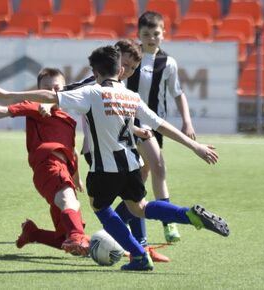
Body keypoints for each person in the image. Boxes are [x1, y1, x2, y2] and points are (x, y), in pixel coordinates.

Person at [0, 45, 230, 271]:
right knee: (140, 208)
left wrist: (9, 93)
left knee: (100, 207)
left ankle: (139, 256)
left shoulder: (91, 93)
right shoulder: (131, 97)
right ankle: (188, 215)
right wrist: (194, 146)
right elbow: (161, 125)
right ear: (121, 70)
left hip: (105, 169)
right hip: (132, 164)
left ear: (94, 71)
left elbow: (51, 96)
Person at [0, 68, 90, 256]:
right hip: (49, 166)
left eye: (57, 88)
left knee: (65, 238)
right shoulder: (36, 107)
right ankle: (78, 237)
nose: (52, 92)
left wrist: (77, 178)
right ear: (39, 91)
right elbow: (3, 111)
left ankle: (33, 233)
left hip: (64, 171)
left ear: (65, 89)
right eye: (47, 88)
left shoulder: (69, 120)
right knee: (69, 203)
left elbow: (72, 152)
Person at [63, 39, 170, 263]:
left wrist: (136, 129)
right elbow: (66, 93)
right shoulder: (94, 82)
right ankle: (133, 246)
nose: (127, 71)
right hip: (99, 150)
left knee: (135, 194)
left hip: (120, 145)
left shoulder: (120, 88)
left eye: (132, 68)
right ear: (115, 58)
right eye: (126, 65)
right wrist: (46, 103)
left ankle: (139, 247)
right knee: (126, 199)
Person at [126, 11, 197, 243]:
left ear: (163, 34)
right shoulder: (127, 57)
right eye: (146, 34)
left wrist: (187, 121)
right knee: (158, 167)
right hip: (132, 124)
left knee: (143, 175)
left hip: (156, 124)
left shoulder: (168, 62)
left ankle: (119, 220)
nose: (151, 38)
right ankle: (170, 223)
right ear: (138, 34)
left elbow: (178, 94)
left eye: (156, 33)